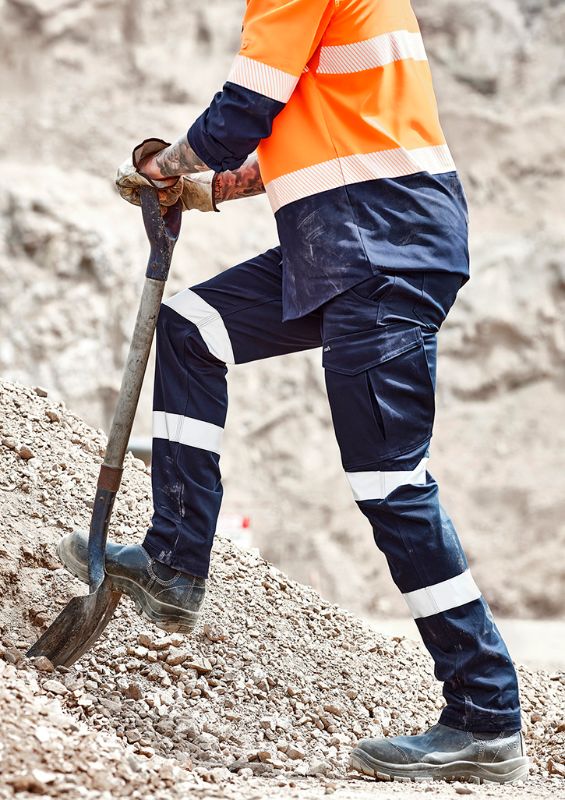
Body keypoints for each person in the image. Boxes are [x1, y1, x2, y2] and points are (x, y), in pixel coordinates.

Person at [58, 0, 528, 784]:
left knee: (389, 481)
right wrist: (202, 192)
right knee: (191, 328)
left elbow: (242, 108)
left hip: (385, 246)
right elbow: (299, 137)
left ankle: (484, 714)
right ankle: (175, 560)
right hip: (346, 239)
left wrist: (166, 166)